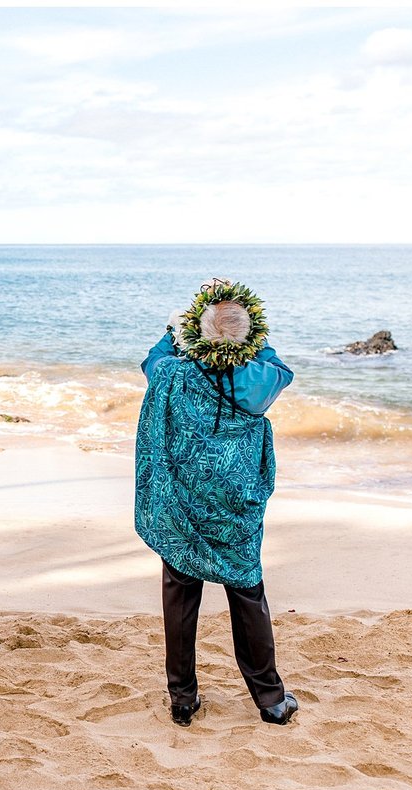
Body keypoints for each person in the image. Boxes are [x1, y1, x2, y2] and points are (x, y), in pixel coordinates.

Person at [134, 279, 298, 727]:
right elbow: (279, 367)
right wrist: (252, 338)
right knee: (248, 594)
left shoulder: (172, 372)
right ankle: (271, 700)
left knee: (180, 594)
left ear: (196, 332)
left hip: (185, 498)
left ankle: (183, 698)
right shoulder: (258, 378)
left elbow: (153, 361)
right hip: (234, 501)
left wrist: (175, 330)